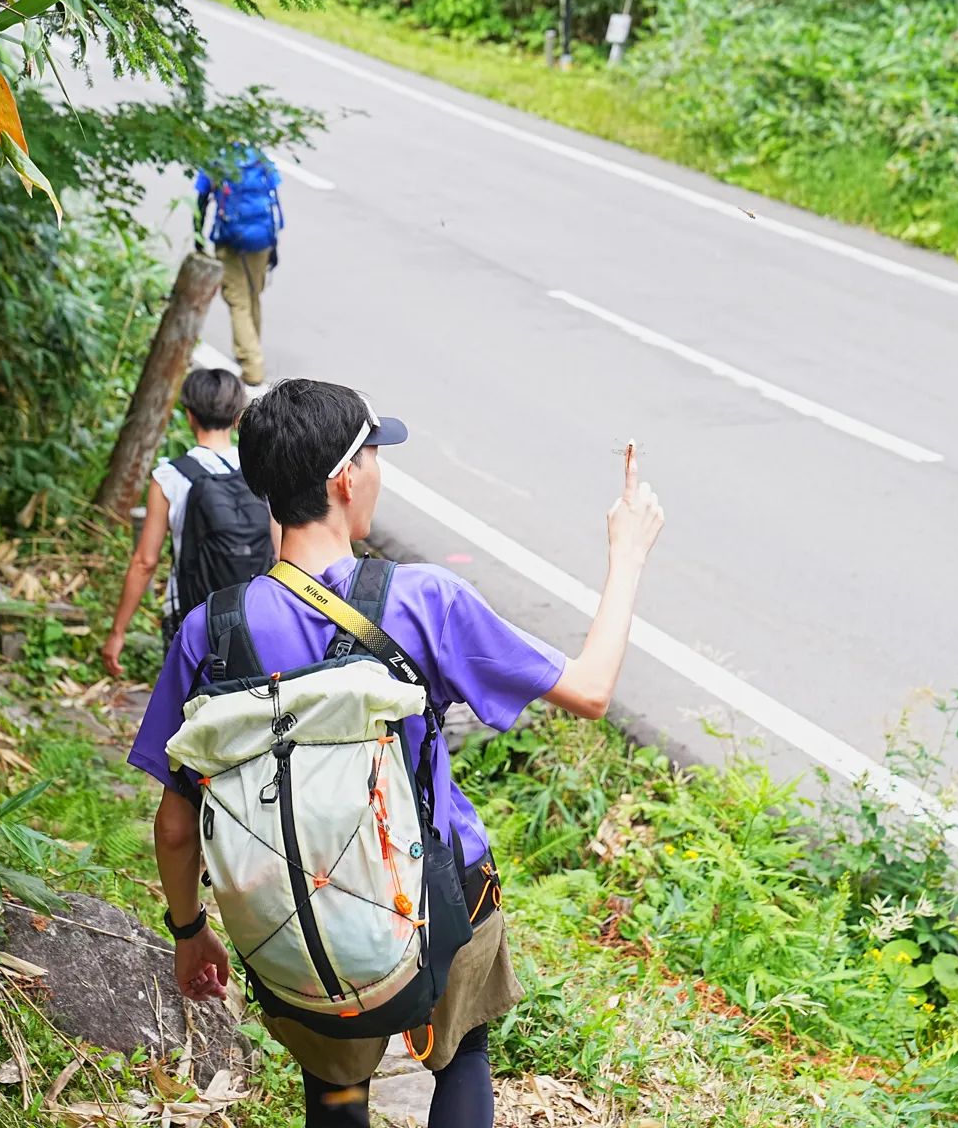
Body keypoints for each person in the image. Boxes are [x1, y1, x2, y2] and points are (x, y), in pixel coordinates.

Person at [127, 379, 665, 1127]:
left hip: (293, 910)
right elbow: (593, 689)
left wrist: (191, 934)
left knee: (337, 1090)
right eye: (374, 455)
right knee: (463, 1054)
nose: (380, 471)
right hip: (440, 893)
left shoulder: (208, 631)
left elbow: (176, 824)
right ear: (345, 478)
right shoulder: (421, 600)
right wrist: (628, 553)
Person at [101, 369, 279, 676]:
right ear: (238, 417)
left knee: (189, 709)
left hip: (192, 614)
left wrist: (117, 632)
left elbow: (145, 562)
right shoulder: (261, 468)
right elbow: (280, 552)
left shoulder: (169, 477)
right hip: (254, 611)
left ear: (189, 415)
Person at [195, 145, 283, 389]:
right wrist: (273, 245)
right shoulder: (259, 157)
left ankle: (252, 364)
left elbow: (201, 200)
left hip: (231, 240)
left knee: (238, 300)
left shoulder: (216, 157)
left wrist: (198, 238)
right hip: (262, 239)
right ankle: (251, 346)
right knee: (253, 295)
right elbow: (273, 199)